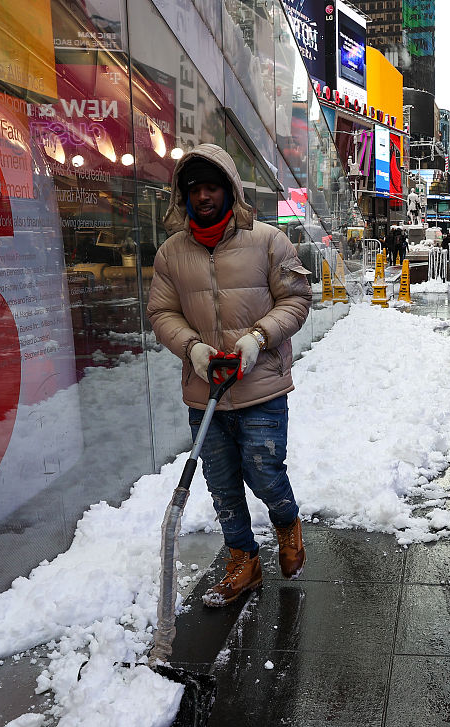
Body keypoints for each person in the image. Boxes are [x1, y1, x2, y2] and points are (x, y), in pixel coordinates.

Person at [147, 145, 312, 607]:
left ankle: (286, 522)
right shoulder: (171, 254)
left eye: (211, 186)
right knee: (221, 484)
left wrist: (258, 339)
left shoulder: (268, 242)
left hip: (261, 387)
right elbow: (161, 312)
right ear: (184, 196)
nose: (203, 196)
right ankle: (244, 560)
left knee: (263, 473)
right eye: (195, 188)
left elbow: (297, 300)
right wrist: (193, 348)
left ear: (230, 190)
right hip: (206, 392)